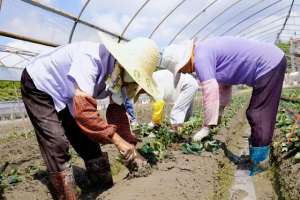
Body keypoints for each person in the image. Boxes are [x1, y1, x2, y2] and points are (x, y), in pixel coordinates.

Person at [20, 33, 160, 199]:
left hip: (69, 94)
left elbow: (116, 112)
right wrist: (116, 140)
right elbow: (84, 112)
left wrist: (131, 149)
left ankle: (103, 186)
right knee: (56, 142)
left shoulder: (119, 76)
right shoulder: (90, 58)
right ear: (124, 63)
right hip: (40, 84)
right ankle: (67, 195)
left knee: (86, 140)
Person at [160, 37, 286, 176]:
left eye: (181, 69)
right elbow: (224, 86)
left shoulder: (201, 58)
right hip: (270, 61)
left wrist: (206, 127)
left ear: (185, 60)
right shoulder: (205, 52)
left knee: (259, 113)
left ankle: (260, 165)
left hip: (269, 64)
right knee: (255, 112)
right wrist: (219, 112)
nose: (184, 72)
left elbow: (210, 91)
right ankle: (256, 158)